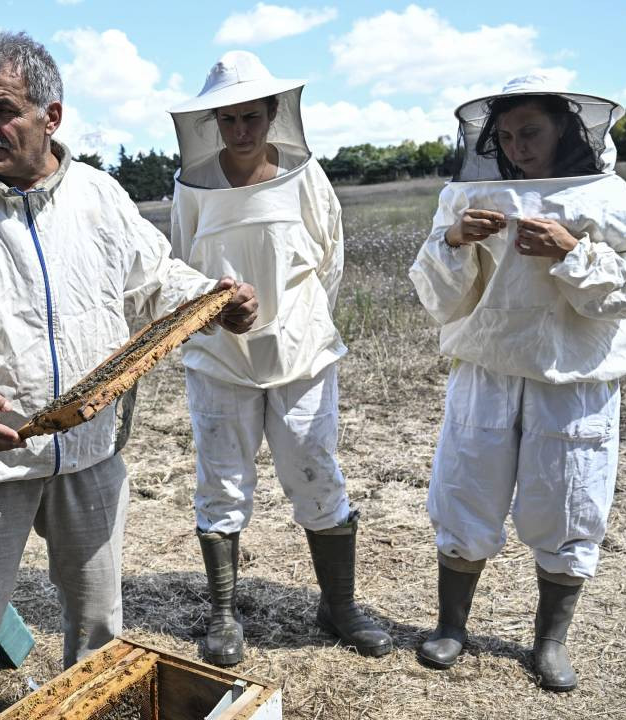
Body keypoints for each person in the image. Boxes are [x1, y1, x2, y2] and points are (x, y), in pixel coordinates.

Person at [0, 31, 258, 720]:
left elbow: (155, 278)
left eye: (4, 110)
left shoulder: (100, 197)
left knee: (98, 631)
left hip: (88, 452)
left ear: (52, 116)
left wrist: (213, 301)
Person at [408, 74, 626, 691]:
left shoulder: (606, 196)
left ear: (564, 130)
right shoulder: (467, 195)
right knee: (466, 491)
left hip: (572, 376)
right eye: (507, 135)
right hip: (487, 368)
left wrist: (571, 250)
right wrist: (453, 239)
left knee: (570, 500)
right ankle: (451, 626)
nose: (519, 147)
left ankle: (550, 641)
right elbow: (436, 297)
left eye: (532, 132)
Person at [167, 50, 392, 665]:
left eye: (252, 118)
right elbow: (182, 269)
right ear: (213, 122)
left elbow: (329, 259)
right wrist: (216, 309)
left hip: (302, 354)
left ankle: (339, 606)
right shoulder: (192, 188)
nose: (241, 131)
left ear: (273, 114)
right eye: (229, 120)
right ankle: (220, 615)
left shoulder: (304, 177)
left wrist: (296, 320)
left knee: (315, 473)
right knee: (222, 481)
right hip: (218, 360)